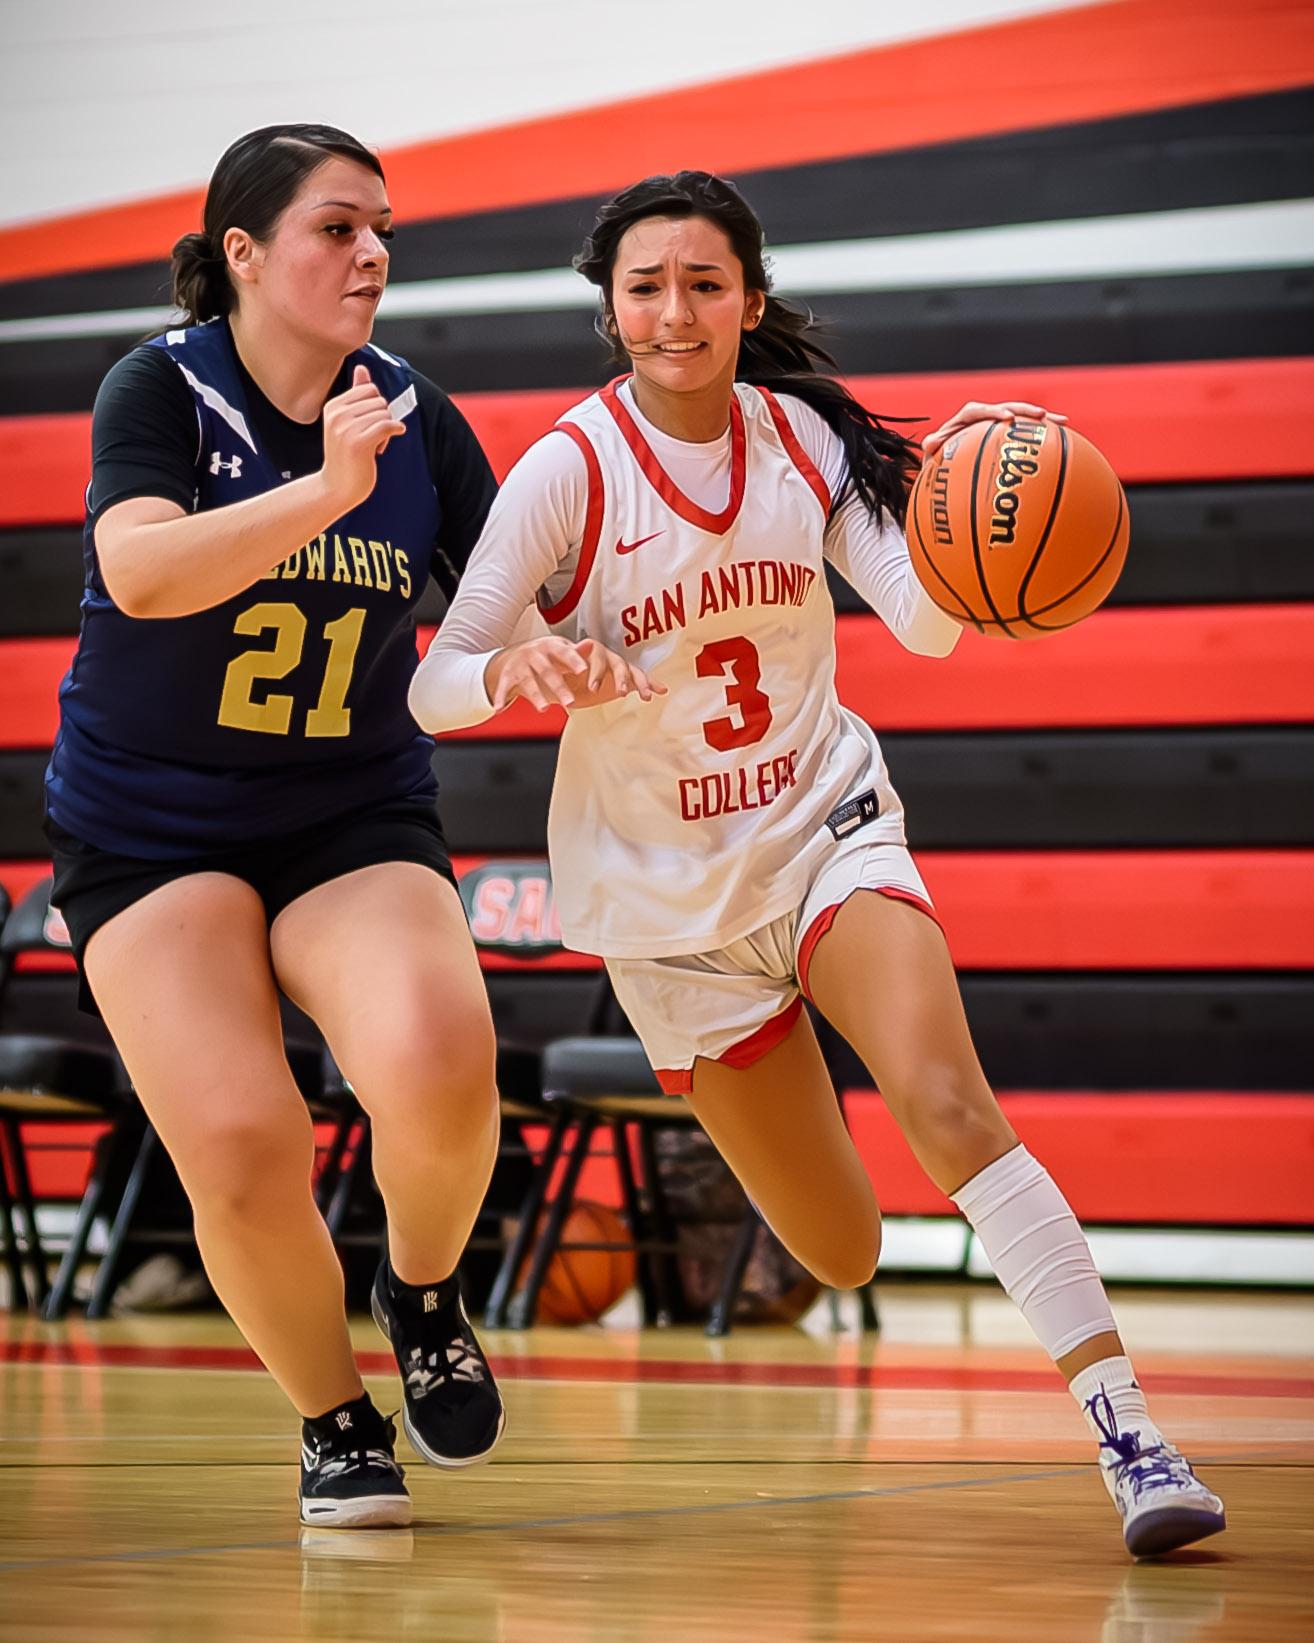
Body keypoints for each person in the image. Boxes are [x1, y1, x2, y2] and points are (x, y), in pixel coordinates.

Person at [408, 170, 1227, 1559]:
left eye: (703, 284)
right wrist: (522, 665)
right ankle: (801, 1075)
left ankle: (1130, 1437)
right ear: (610, 309)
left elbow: (916, 621)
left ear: (751, 300)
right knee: (838, 1250)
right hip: (668, 916)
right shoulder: (571, 469)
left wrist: (978, 548)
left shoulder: (795, 442)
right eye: (646, 286)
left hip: (820, 830)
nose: (675, 310)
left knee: (948, 1104)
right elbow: (437, 684)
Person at [44, 124, 507, 1528]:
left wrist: (543, 652)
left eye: (382, 230)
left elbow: (501, 601)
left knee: (437, 1059)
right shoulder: (159, 388)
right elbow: (140, 573)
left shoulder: (415, 411)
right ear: (241, 254)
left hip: (343, 808)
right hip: (149, 824)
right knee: (241, 1143)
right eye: (334, 227)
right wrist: (323, 492)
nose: (370, 253)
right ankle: (332, 1415)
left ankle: (418, 1289)